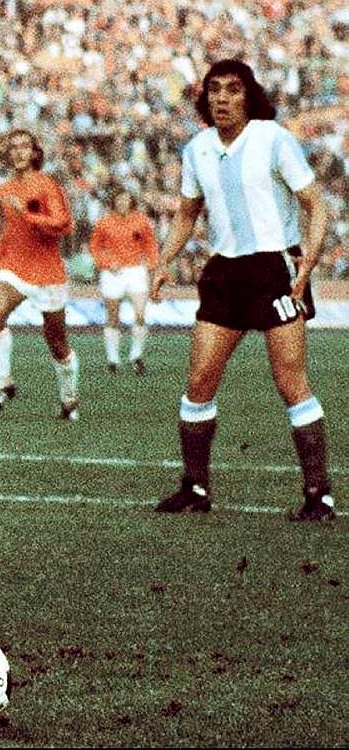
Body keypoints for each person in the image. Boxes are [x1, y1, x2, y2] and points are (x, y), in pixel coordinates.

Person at [150, 59, 335, 521]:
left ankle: (319, 495)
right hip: (225, 273)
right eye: (214, 90)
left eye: (233, 90)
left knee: (291, 383)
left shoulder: (273, 139)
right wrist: (164, 260)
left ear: (248, 96)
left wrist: (309, 262)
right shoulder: (197, 149)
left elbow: (316, 206)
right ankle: (195, 488)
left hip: (274, 270)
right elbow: (187, 213)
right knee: (198, 382)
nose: (222, 98)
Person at [0, 129, 78, 420]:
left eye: (24, 146)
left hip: (47, 271)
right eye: (13, 147)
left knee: (57, 343)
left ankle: (69, 400)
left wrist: (28, 214)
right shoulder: (5, 189)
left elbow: (64, 224)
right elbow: (10, 232)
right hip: (15, 265)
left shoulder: (47, 185)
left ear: (35, 153)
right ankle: (4, 383)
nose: (19, 151)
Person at [88, 189, 159, 375]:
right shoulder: (104, 222)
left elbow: (150, 244)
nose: (122, 203)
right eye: (119, 200)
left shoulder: (141, 220)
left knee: (140, 314)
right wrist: (105, 263)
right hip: (112, 273)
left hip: (136, 270)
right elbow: (94, 247)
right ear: (114, 202)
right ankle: (112, 360)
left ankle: (136, 356)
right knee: (113, 317)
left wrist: (152, 263)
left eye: (126, 200)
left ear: (131, 202)